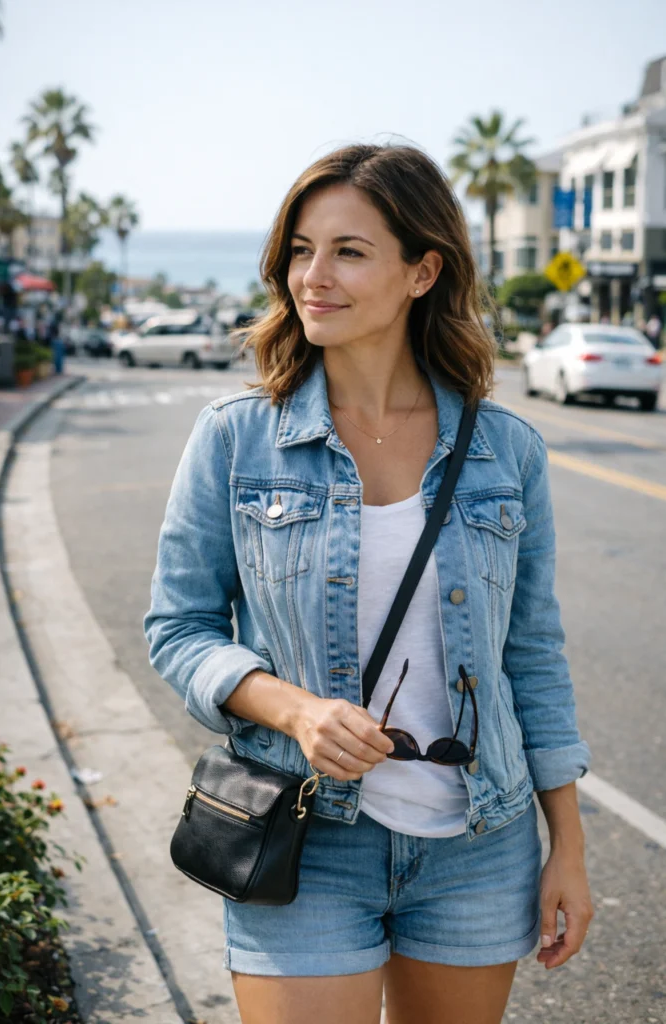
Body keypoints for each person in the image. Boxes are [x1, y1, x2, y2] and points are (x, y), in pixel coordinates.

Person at [145, 143, 593, 1024]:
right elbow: (178, 627)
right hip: (308, 839)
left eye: (349, 251)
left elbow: (531, 658)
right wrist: (295, 710)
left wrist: (566, 847)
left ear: (423, 271)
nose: (314, 276)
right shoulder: (237, 440)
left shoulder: (507, 454)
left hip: (479, 843)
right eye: (301, 250)